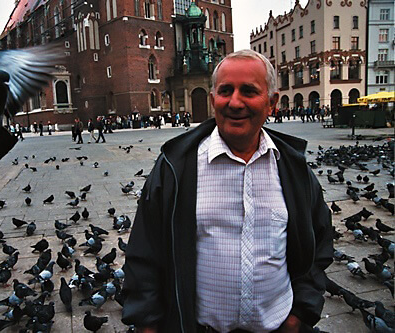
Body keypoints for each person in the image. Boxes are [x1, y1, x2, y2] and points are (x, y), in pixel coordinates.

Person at [121, 49, 333, 333]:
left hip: (278, 327)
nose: (235, 102)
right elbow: (144, 252)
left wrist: (299, 316)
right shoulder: (176, 168)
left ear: (272, 103)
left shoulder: (293, 168)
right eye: (225, 91)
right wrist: (148, 325)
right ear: (212, 100)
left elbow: (319, 244)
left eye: (248, 91)